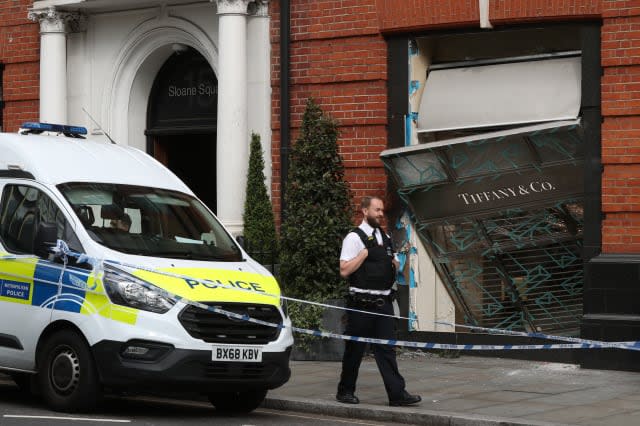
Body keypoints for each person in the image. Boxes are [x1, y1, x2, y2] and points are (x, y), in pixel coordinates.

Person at [336, 196, 421, 407]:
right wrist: (363, 255)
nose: (381, 214)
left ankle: (397, 394)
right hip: (361, 305)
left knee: (387, 351)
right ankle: (345, 391)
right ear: (365, 211)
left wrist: (394, 264)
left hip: (383, 305)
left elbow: (394, 267)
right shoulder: (354, 238)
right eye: (377, 210)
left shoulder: (384, 237)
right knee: (355, 351)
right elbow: (344, 270)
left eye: (382, 210)